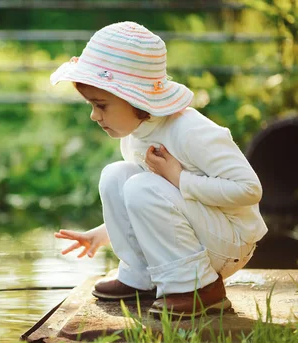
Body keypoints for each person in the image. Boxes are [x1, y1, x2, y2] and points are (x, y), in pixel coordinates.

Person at [51, 21, 267, 317]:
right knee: (116, 175)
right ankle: (140, 278)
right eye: (91, 104)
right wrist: (103, 234)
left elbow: (249, 190)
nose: (93, 115)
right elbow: (152, 205)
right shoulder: (136, 133)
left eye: (101, 105)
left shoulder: (190, 131)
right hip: (198, 233)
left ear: (136, 99)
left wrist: (179, 177)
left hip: (229, 243)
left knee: (141, 185)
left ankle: (200, 288)